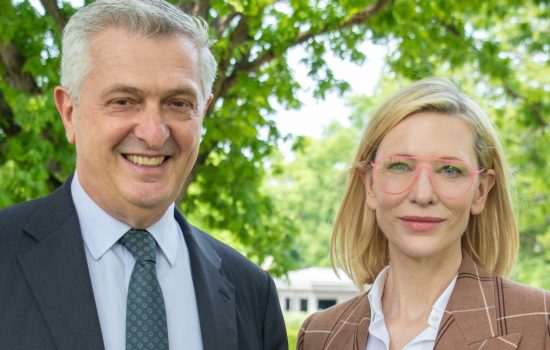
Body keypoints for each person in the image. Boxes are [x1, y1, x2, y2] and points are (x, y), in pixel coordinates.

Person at [0, 1, 288, 349]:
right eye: (123, 101)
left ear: (203, 113)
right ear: (68, 113)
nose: (154, 133)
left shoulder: (252, 293)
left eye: (178, 103)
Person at [297, 78, 550, 349]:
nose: (422, 194)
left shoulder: (541, 324)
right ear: (370, 184)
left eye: (450, 170)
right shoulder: (319, 335)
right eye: (400, 166)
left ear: (481, 192)